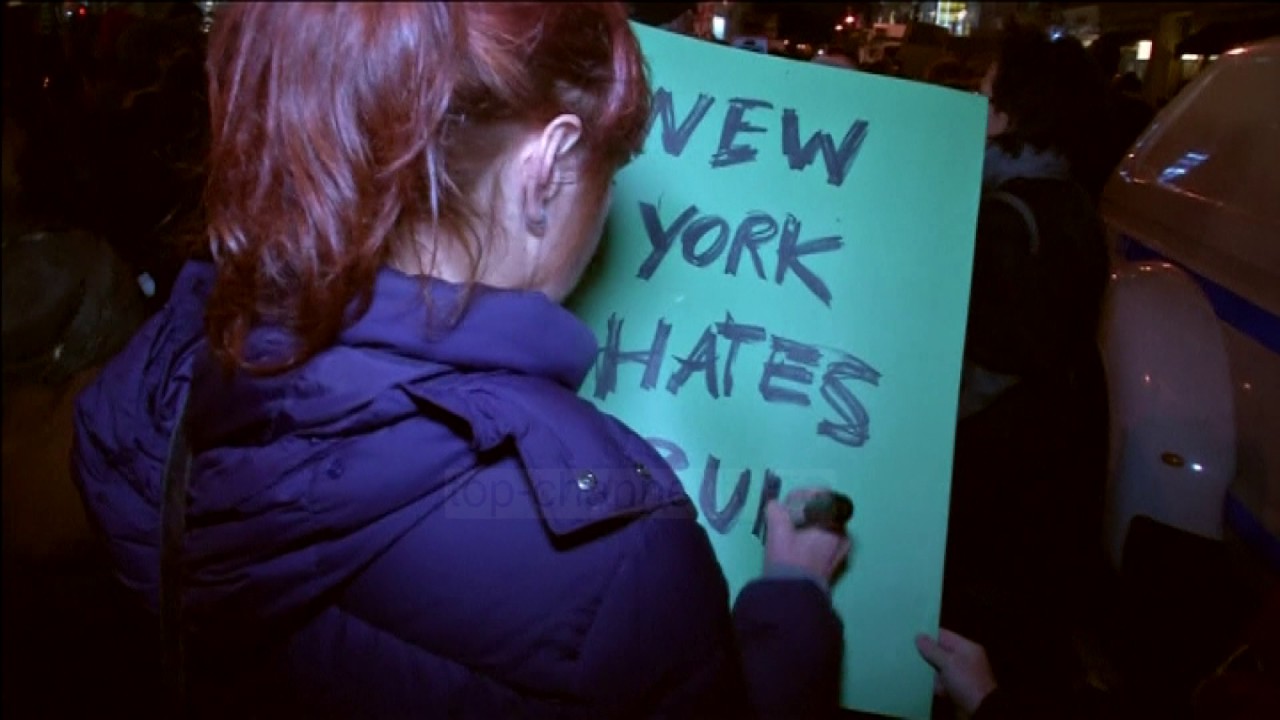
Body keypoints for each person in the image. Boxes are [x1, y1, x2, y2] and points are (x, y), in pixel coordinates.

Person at [71, 4, 851, 718]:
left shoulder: (148, 384)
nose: (607, 206)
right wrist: (792, 605)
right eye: (609, 172)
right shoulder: (617, 552)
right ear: (547, 168)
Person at [945, 23, 1111, 696]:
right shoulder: (1071, 199)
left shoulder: (1004, 216)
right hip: (1054, 458)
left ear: (1013, 113)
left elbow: (987, 363)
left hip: (996, 468)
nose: (975, 106)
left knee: (983, 618)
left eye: (986, 94)